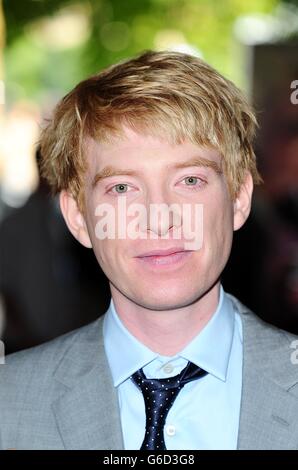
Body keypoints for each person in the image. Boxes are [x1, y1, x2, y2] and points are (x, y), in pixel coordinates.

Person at [0, 50, 298, 450]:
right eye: (122, 188)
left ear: (240, 198)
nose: (159, 219)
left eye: (189, 180)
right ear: (77, 216)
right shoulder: (10, 403)